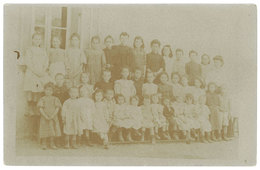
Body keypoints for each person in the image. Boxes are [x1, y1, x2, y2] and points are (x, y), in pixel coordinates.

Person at [23, 32, 50, 140]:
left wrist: (43, 70)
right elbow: (28, 62)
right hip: (32, 72)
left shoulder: (43, 51)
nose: (37, 41)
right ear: (32, 40)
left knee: (38, 91)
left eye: (39, 39)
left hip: (41, 72)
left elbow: (46, 62)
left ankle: (36, 108)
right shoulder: (29, 50)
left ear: (41, 41)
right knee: (31, 89)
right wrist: (36, 72)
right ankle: (30, 107)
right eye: (35, 39)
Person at [37, 82, 61, 150]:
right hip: (45, 117)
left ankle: (52, 143)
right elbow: (40, 108)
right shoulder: (42, 99)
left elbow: (57, 108)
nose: (48, 91)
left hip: (53, 117)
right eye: (47, 90)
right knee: (45, 130)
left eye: (50, 90)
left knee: (52, 129)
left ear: (53, 91)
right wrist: (45, 116)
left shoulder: (55, 99)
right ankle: (44, 143)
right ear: (44, 90)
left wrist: (53, 115)